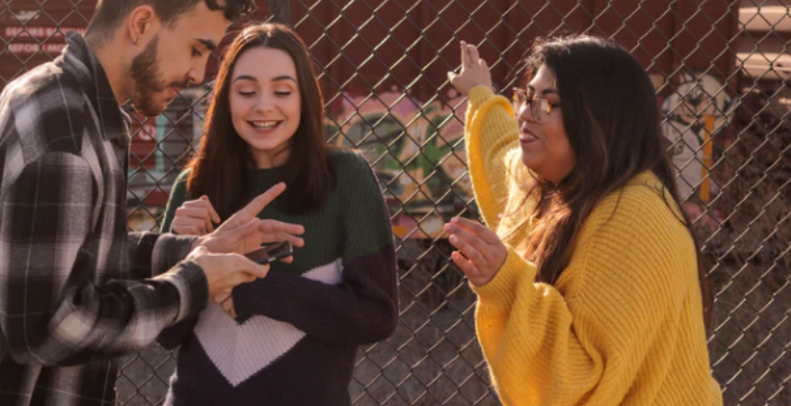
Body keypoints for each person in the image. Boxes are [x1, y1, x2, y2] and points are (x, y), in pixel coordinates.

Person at [0, 0, 306, 406]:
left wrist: (199, 249)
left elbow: (79, 255)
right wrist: (194, 282)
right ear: (141, 24)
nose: (198, 73)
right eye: (196, 49)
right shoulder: (65, 132)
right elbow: (47, 329)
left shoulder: (51, 96)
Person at [446, 36, 723, 405]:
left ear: (599, 117)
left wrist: (507, 284)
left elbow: (581, 381)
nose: (524, 113)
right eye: (527, 97)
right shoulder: (553, 186)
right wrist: (481, 92)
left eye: (548, 103)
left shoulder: (632, 216)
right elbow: (502, 157)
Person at [156, 23, 399, 406]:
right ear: (225, 100)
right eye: (246, 91)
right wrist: (180, 252)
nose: (264, 106)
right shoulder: (193, 185)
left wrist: (258, 291)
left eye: (282, 91)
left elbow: (376, 314)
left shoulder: (347, 178)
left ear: (305, 98)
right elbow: (165, 333)